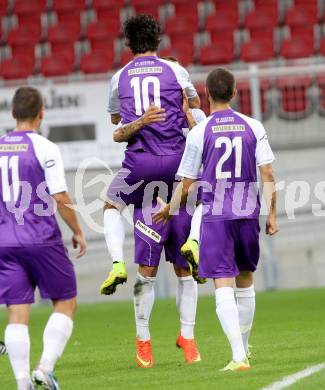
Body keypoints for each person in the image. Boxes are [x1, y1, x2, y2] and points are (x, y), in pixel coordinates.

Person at [154, 68, 279, 371]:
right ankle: (244, 350)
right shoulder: (253, 125)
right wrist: (272, 214)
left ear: (207, 95)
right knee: (246, 281)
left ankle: (238, 357)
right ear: (235, 93)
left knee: (222, 284)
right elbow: (268, 174)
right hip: (248, 212)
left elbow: (186, 184)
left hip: (216, 215)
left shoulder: (200, 131)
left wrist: (169, 208)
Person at [100, 14, 201, 368]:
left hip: (140, 166)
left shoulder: (119, 76)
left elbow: (116, 123)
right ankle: (188, 339)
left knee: (113, 209)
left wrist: (140, 120)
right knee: (183, 268)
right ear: (157, 40)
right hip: (177, 166)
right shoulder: (176, 71)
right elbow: (194, 106)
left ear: (128, 43)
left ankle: (143, 341)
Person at [0, 87, 87, 389]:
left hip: (5, 240)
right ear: (41, 113)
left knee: (16, 312)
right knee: (65, 302)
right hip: (40, 237)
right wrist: (77, 230)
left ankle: (22, 383)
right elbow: (60, 196)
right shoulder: (45, 147)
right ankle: (45, 367)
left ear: (12, 114)